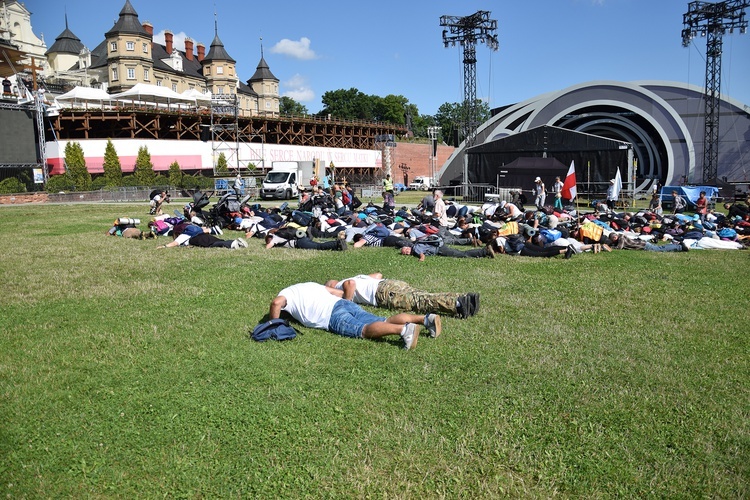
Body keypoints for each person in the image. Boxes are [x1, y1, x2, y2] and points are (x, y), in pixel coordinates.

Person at [269, 282, 442, 350]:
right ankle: (426, 319)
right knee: (383, 321)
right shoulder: (309, 285)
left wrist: (273, 324)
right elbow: (337, 292)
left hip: (330, 315)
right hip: (344, 303)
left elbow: (276, 303)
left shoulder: (286, 294)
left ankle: (404, 331)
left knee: (364, 330)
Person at [325, 273, 479, 319]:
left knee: (420, 302)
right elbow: (378, 274)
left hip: (383, 294)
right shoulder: (359, 277)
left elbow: (350, 284)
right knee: (423, 295)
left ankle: (458, 303)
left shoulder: (340, 285)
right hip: (390, 284)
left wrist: (346, 303)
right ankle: (465, 298)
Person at [158, 222, 247, 249]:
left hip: (199, 239)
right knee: (219, 241)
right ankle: (237, 243)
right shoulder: (189, 231)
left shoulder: (184, 235)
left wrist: (164, 246)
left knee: (214, 244)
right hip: (203, 235)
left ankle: (233, 244)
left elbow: (175, 243)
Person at [400, 239, 494, 261]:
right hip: (440, 247)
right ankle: (484, 251)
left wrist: (421, 260)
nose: (407, 253)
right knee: (460, 253)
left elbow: (422, 255)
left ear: (408, 248)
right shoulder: (416, 245)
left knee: (462, 254)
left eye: (406, 251)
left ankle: (485, 251)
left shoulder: (416, 249)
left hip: (440, 249)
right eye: (406, 253)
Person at [608, 233, 688, 252]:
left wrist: (610, 247)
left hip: (644, 245)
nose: (612, 241)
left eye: (612, 239)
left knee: (660, 249)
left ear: (615, 237)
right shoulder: (621, 236)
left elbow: (619, 247)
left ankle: (680, 247)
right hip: (643, 244)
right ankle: (676, 245)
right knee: (661, 248)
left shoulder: (621, 239)